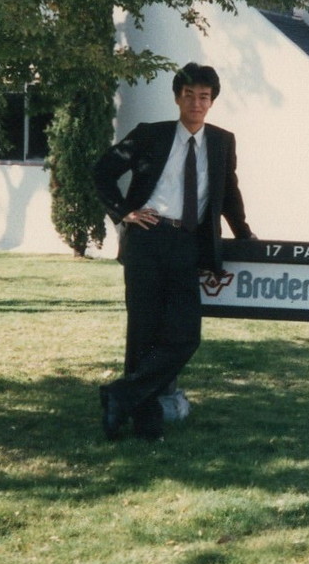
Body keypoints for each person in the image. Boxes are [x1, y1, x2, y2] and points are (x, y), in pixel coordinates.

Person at [92, 63, 254, 441]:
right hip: (147, 240)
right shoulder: (150, 135)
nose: (196, 103)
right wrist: (124, 213)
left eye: (204, 97)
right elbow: (103, 171)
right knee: (143, 333)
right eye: (189, 95)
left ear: (212, 101)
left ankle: (120, 396)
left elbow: (228, 193)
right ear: (177, 97)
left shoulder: (221, 141)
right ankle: (143, 423)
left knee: (185, 336)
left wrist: (244, 234)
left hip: (187, 245)